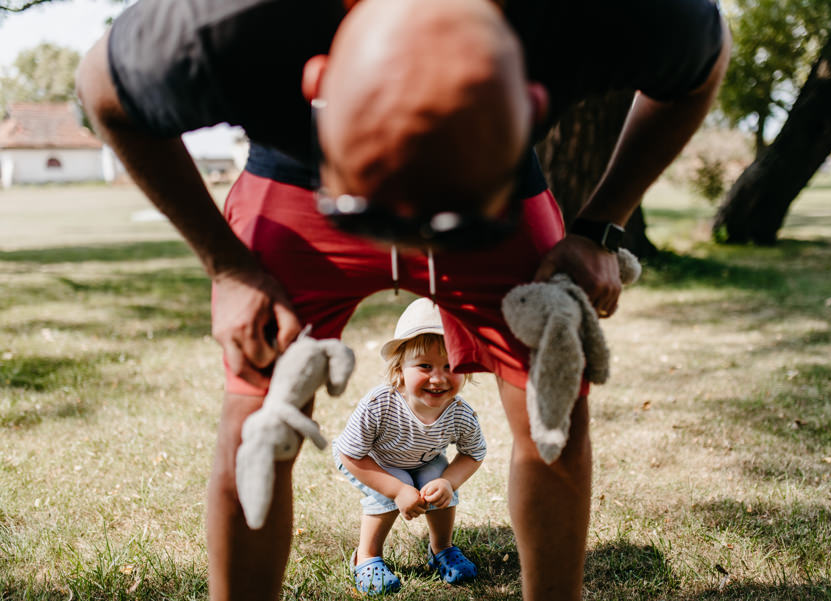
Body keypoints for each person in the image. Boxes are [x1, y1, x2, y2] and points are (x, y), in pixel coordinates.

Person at [75, 0, 730, 599]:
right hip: (302, 188)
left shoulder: (598, 15)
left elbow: (705, 67)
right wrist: (227, 265)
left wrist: (597, 227)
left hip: (490, 181)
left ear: (534, 100)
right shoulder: (230, 23)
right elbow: (103, 91)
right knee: (256, 423)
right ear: (317, 81)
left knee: (555, 407)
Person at [333, 297, 485, 595]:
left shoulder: (459, 412)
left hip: (423, 459)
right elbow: (349, 454)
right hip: (370, 460)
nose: (438, 378)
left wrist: (448, 481)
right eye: (425, 366)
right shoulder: (381, 404)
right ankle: (366, 557)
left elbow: (473, 453)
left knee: (438, 484)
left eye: (450, 365)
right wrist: (398, 490)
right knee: (395, 486)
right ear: (400, 368)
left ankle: (441, 549)